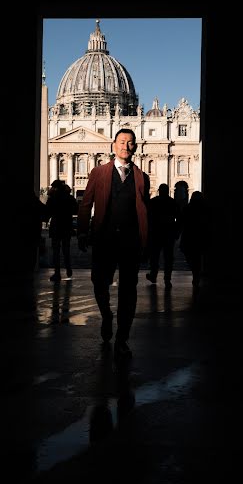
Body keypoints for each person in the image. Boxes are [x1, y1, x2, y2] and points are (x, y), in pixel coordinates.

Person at [77, 129, 150, 361]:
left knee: (129, 292)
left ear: (135, 147)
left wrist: (145, 239)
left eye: (130, 143)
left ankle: (122, 339)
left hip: (131, 241)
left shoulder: (142, 177)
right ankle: (107, 315)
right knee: (100, 284)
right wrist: (82, 232)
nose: (125, 147)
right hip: (104, 239)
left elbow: (143, 209)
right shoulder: (98, 172)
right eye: (121, 142)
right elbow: (86, 204)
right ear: (113, 145)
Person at [145, 183, 181, 289]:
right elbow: (178, 218)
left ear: (159, 191)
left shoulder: (153, 202)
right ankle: (167, 278)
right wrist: (177, 232)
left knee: (154, 256)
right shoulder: (172, 202)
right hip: (168, 233)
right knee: (168, 257)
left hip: (156, 233)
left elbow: (147, 218)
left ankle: (153, 275)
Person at [45, 180, 78, 282]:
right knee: (66, 249)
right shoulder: (69, 197)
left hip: (56, 226)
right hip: (66, 226)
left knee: (56, 251)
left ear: (55, 187)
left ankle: (57, 273)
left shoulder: (53, 198)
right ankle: (68, 269)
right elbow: (76, 210)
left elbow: (47, 212)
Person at [179, 190, 210, 288]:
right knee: (198, 256)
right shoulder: (205, 209)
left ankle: (195, 273)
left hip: (189, 236)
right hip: (201, 236)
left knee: (191, 257)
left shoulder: (187, 208)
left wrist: (177, 232)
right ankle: (197, 273)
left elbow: (181, 221)